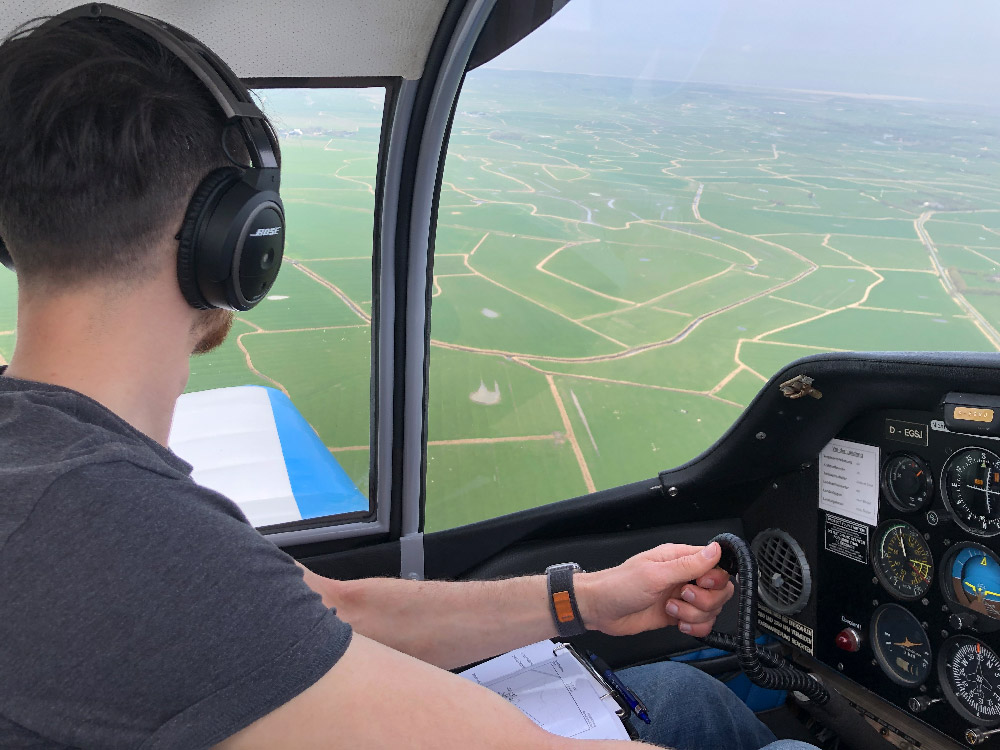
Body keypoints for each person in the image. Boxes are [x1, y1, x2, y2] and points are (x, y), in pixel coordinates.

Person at [0, 10, 819, 750]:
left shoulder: (48, 464)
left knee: (682, 694)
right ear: (240, 241)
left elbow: (335, 610)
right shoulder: (104, 530)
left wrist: (589, 598)